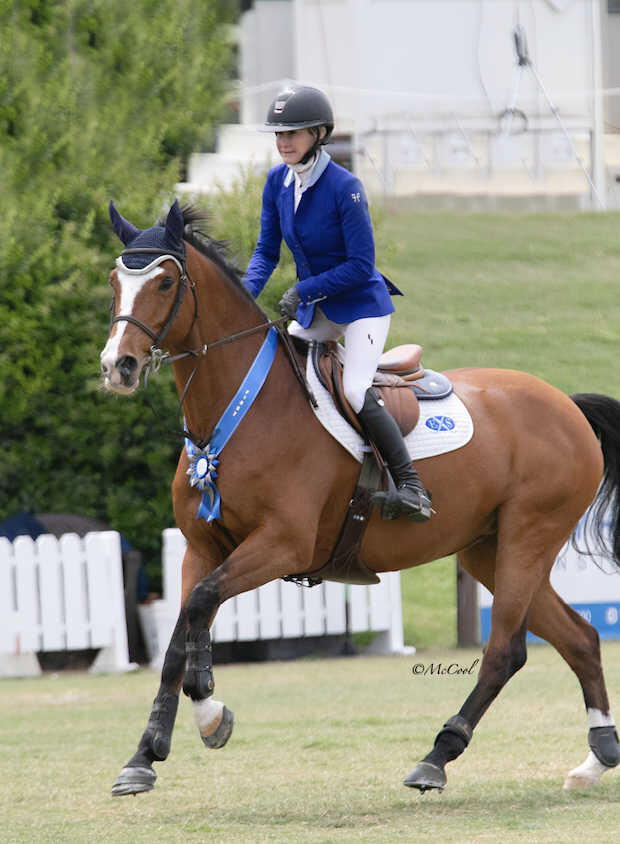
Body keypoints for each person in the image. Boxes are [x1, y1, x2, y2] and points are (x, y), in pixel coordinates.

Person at [243, 84, 431, 522]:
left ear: (319, 134)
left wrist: (304, 290)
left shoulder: (345, 188)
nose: (283, 142)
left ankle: (411, 488)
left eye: (293, 133)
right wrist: (241, 296)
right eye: (278, 135)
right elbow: (266, 252)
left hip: (361, 305)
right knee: (281, 366)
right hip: (318, 311)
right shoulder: (276, 182)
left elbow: (361, 264)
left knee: (353, 388)